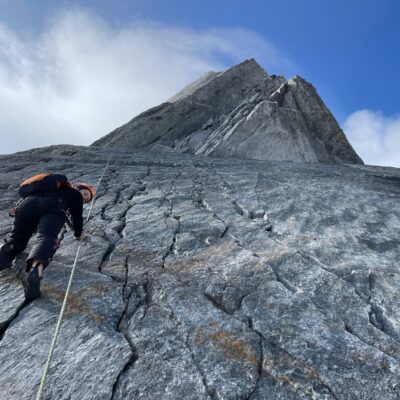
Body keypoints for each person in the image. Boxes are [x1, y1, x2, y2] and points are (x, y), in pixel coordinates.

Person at [0, 173, 95, 301]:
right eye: (85, 194)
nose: (84, 199)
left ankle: (6, 250)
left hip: (26, 206)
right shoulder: (75, 194)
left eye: (86, 200)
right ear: (78, 188)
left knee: (17, 239)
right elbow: (77, 217)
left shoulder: (49, 186)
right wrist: (78, 234)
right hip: (52, 206)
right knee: (46, 237)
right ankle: (35, 270)